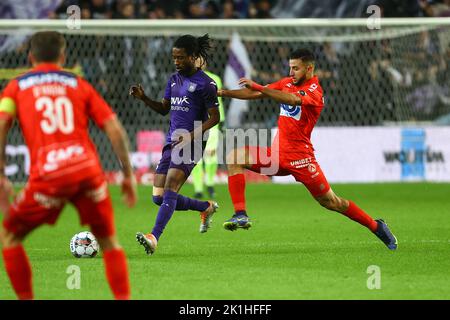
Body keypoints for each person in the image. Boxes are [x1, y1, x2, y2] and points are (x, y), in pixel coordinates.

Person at [0, 31, 137, 300]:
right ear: (63, 57)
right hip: (87, 170)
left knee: (10, 237)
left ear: (30, 57)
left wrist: (2, 174)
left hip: (50, 174)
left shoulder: (16, 87)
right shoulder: (79, 84)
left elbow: (3, 123)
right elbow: (115, 129)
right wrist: (128, 176)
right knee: (109, 243)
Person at [218, 48, 398, 250]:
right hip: (276, 156)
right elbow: (256, 92)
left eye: (296, 68)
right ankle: (240, 214)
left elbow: (292, 99)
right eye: (290, 68)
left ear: (309, 68)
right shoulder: (286, 83)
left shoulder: (315, 91)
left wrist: (260, 86)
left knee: (332, 202)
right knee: (235, 156)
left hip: (301, 160)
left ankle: (376, 226)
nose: (291, 72)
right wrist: (224, 93)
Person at [129, 34, 220, 255]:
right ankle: (205, 207)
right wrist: (144, 98)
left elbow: (215, 117)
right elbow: (163, 109)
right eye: (174, 58)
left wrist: (191, 135)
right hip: (172, 142)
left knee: (170, 189)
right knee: (158, 197)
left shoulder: (206, 84)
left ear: (192, 57)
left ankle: (154, 237)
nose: (176, 61)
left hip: (192, 142)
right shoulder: (173, 79)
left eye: (180, 58)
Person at [191, 60, 225, 200]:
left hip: (212, 121)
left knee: (211, 155)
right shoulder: (187, 80)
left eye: (201, 60)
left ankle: (210, 183)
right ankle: (198, 188)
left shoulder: (215, 78)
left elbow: (217, 101)